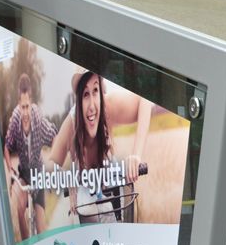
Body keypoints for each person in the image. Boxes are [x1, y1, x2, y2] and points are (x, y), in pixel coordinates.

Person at [44, 70, 153, 222]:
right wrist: (67, 179)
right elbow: (51, 163)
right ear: (78, 101)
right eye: (85, 94)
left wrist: (136, 154)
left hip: (113, 188)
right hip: (86, 196)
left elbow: (145, 101)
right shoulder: (72, 122)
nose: (92, 106)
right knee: (90, 224)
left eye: (95, 91)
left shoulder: (108, 106)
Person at [3, 72, 57, 239]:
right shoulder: (15, 120)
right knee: (18, 207)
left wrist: (54, 164)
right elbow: (6, 146)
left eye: (27, 107)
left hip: (38, 173)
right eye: (22, 107)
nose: (25, 112)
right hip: (24, 173)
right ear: (19, 103)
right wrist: (10, 170)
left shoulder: (38, 118)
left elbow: (54, 136)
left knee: (41, 227)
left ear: (31, 102)